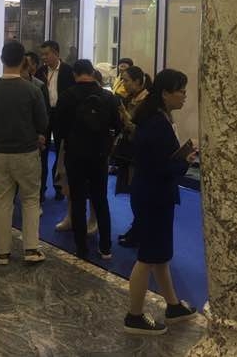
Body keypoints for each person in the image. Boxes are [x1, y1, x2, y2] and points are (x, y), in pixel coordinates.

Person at [124, 69, 197, 335]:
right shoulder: (157, 123)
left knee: (160, 256)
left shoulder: (157, 117)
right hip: (153, 195)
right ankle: (134, 315)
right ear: (166, 94)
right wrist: (184, 161)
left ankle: (173, 305)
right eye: (181, 91)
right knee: (147, 257)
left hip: (154, 193)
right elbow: (160, 167)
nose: (184, 96)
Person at [0, 41, 48, 266]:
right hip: (26, 152)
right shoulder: (32, 90)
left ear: (1, 59)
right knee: (30, 200)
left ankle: (2, 253)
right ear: (23, 61)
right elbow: (43, 123)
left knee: (2, 201)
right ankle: (31, 249)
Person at [55, 59, 122, 259]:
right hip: (99, 155)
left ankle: (81, 248)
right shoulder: (108, 97)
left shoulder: (67, 96)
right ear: (92, 72)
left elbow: (58, 128)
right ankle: (106, 247)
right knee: (100, 199)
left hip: (75, 154)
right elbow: (117, 126)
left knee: (77, 201)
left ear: (74, 74)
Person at [115, 65, 152, 247]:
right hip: (129, 152)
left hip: (139, 155)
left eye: (127, 80)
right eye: (122, 80)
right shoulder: (130, 98)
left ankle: (140, 231)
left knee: (139, 195)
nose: (124, 84)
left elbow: (140, 130)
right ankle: (137, 228)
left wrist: (124, 115)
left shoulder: (147, 102)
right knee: (133, 193)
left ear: (138, 81)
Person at [36, 40, 75, 203]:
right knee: (42, 155)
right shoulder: (40, 72)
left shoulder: (68, 71)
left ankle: (59, 188)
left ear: (56, 53)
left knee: (60, 154)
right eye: (42, 54)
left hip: (61, 116)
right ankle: (40, 191)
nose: (44, 57)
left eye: (47, 54)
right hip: (44, 115)